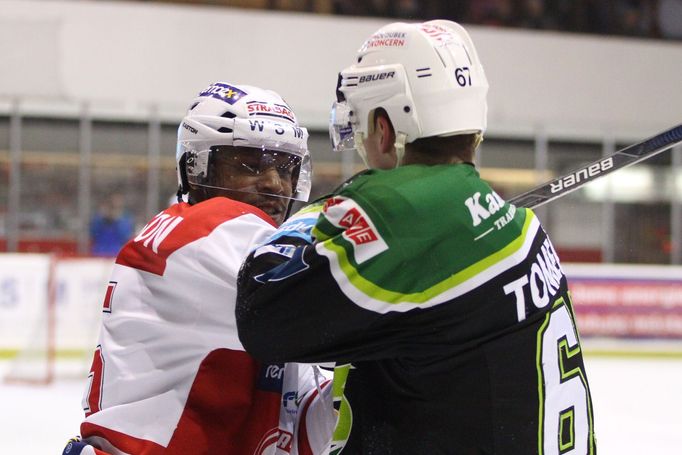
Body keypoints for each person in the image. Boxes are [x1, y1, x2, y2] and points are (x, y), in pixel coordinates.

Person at [236, 21, 597, 454]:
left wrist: (313, 220)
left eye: (364, 123)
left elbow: (263, 318)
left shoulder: (399, 215)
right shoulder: (519, 226)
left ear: (385, 128)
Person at [63, 82, 333, 455]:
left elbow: (297, 423)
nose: (273, 183)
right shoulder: (199, 232)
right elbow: (332, 311)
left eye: (284, 167)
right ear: (197, 171)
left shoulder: (256, 274)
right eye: (249, 165)